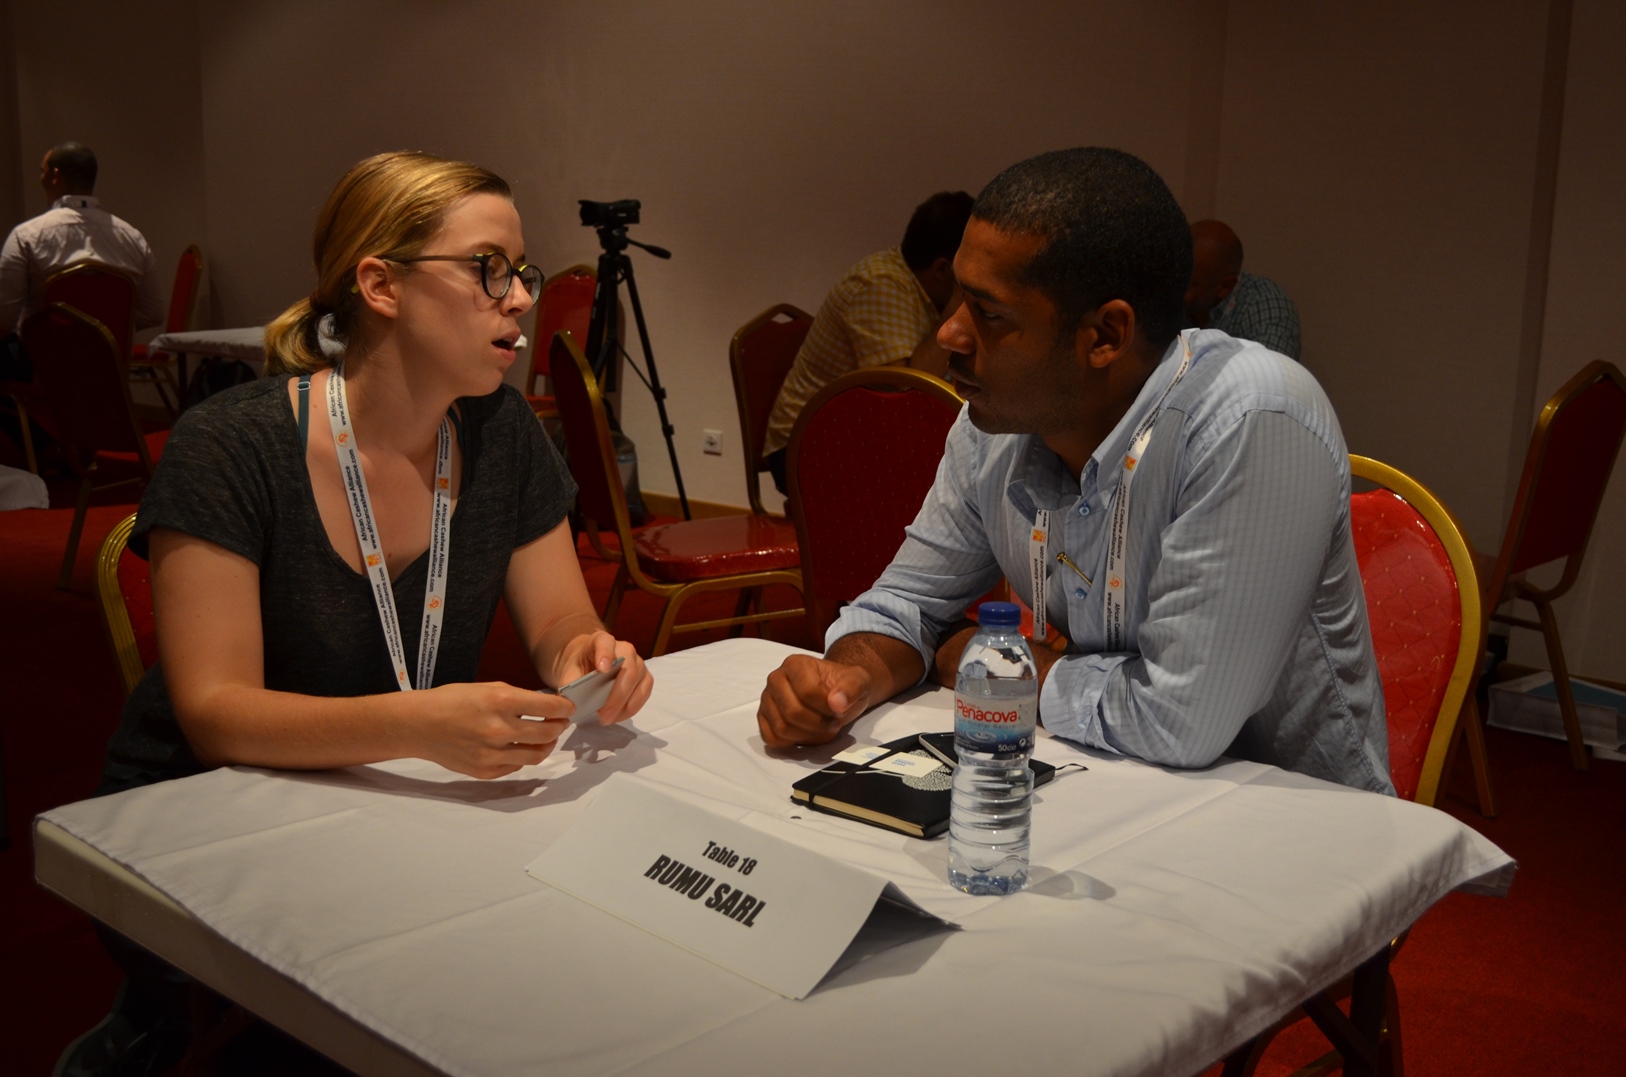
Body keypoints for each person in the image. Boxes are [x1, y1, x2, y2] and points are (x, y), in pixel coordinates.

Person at [63, 151, 655, 1076]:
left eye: (521, 272)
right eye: (487, 269)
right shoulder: (233, 445)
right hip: (207, 812)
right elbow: (215, 713)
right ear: (380, 285)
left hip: (388, 797)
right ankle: (152, 1025)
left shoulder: (501, 434)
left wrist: (589, 658)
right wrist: (419, 724)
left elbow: (557, 628)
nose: (520, 298)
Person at [756, 148, 1391, 796]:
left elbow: (1177, 721)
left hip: (1293, 817)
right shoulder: (993, 426)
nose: (949, 334)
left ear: (1105, 335)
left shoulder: (1250, 416)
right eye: (955, 300)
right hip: (1106, 784)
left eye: (989, 313)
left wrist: (985, 659)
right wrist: (849, 678)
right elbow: (903, 606)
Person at [760, 190, 974, 493]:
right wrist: (957, 302)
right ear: (943, 269)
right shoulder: (879, 284)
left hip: (852, 437)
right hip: (804, 447)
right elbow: (907, 393)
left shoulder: (912, 283)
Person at [0, 142, 165, 366]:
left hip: (44, 368)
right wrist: (102, 324)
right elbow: (154, 313)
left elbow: (3, 320)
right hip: (109, 367)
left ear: (55, 176)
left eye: (42, 171)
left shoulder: (25, 236)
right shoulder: (133, 238)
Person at [1183, 218, 1301, 360]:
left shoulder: (1266, 308)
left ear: (1225, 286)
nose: (1174, 288)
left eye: (1188, 283)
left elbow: (1266, 372)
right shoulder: (1171, 300)